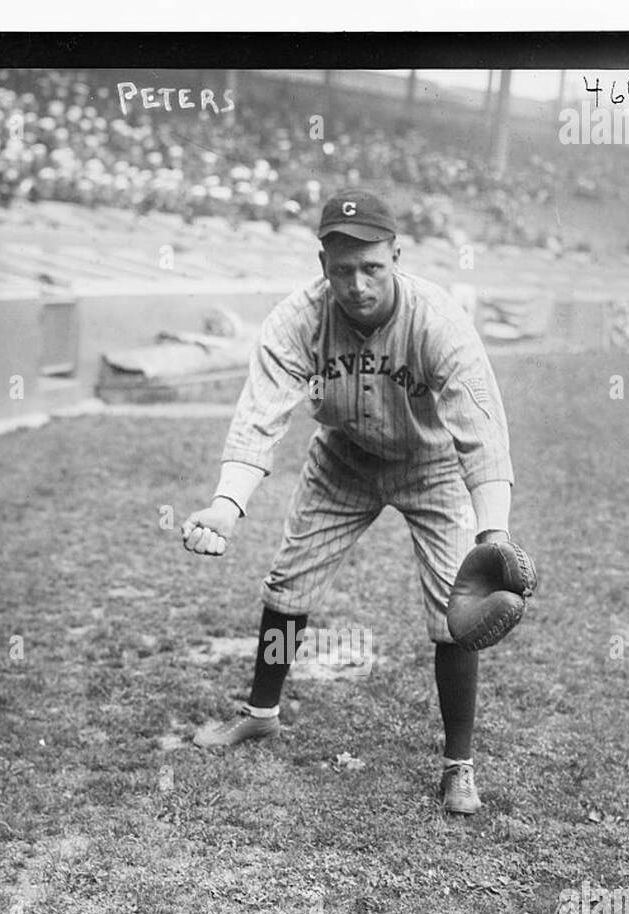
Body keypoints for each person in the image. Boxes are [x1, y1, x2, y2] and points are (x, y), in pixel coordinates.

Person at [180, 189, 515, 814]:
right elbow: (260, 418)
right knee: (287, 589)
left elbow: (482, 435)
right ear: (322, 264)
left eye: (372, 268)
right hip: (343, 458)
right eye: (342, 270)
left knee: (455, 608)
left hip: (432, 465)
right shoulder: (296, 319)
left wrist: (492, 534)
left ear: (396, 255)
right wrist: (227, 503)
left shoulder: (438, 321)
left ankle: (458, 765)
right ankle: (261, 713)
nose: (357, 284)